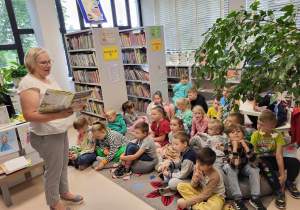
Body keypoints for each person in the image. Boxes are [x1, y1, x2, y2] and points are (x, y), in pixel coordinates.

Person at [18, 47, 83, 210]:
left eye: (49, 62)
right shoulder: (28, 83)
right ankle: (53, 203)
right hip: (45, 134)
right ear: (32, 64)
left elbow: (56, 102)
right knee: (53, 169)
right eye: (43, 63)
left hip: (59, 130)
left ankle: (64, 192)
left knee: (62, 165)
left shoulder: (50, 78)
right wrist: (60, 115)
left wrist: (72, 106)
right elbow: (29, 115)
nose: (48, 65)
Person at [251, 111, 300, 209]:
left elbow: (279, 156)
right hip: (261, 160)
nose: (258, 127)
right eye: (258, 123)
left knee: (295, 162)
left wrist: (282, 175)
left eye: (262, 125)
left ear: (272, 127)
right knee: (265, 165)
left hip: (272, 159)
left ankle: (289, 182)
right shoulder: (255, 135)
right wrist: (257, 171)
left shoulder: (278, 136)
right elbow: (254, 155)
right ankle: (278, 191)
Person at [222, 124, 266, 210]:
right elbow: (234, 166)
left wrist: (245, 147)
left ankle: (255, 197)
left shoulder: (249, 144)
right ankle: (237, 199)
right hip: (230, 165)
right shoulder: (227, 146)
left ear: (244, 135)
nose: (236, 134)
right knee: (231, 170)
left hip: (243, 165)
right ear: (229, 137)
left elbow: (255, 164)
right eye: (232, 132)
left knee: (255, 170)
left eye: (238, 132)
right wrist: (235, 148)